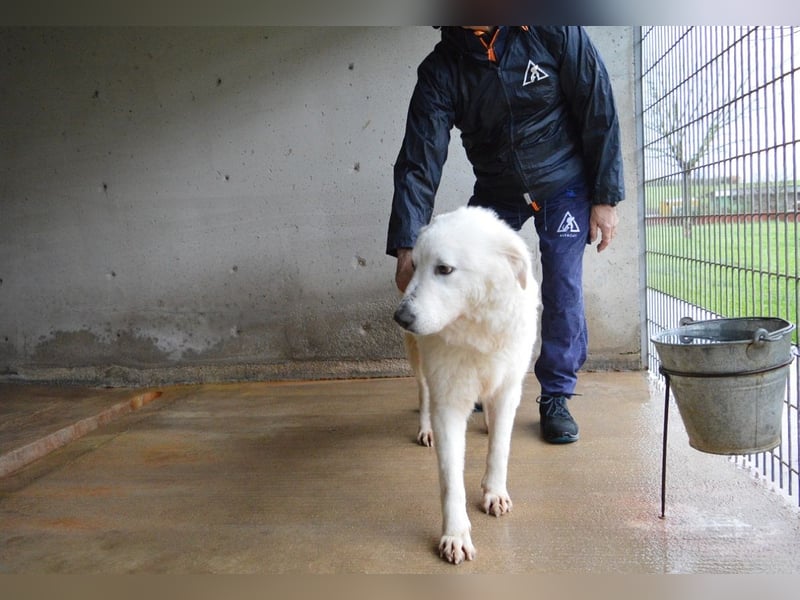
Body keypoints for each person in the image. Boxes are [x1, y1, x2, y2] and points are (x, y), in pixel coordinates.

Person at [386, 26, 624, 444]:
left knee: (562, 283)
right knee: (465, 276)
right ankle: (477, 382)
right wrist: (407, 244)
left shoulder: (553, 28)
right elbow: (419, 160)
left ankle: (556, 395)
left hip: (564, 183)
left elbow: (596, 105)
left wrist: (605, 197)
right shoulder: (442, 70)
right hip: (498, 188)